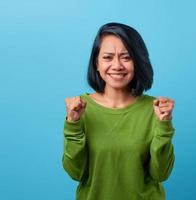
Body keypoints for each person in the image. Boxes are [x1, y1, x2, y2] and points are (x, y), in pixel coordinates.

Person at [62, 22, 175, 200]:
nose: (117, 65)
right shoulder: (79, 109)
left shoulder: (156, 109)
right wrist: (73, 125)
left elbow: (161, 174)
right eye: (107, 57)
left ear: (137, 62)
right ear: (96, 64)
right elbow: (76, 173)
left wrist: (164, 126)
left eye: (126, 57)